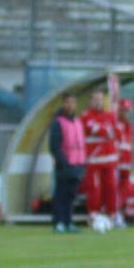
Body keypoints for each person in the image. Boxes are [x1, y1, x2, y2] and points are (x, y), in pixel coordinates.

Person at [80, 89, 119, 228]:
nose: (98, 102)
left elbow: (114, 132)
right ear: (91, 101)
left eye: (100, 99)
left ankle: (112, 215)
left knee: (111, 188)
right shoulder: (86, 116)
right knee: (94, 189)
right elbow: (96, 130)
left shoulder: (110, 116)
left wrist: (103, 130)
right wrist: (105, 130)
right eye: (95, 99)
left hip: (109, 161)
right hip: (94, 161)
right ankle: (93, 215)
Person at [48, 92, 86, 234]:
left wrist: (82, 164)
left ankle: (68, 221)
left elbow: (81, 144)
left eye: (72, 102)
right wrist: (64, 163)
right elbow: (54, 146)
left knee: (71, 196)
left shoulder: (77, 122)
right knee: (61, 195)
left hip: (77, 165)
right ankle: (58, 222)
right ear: (63, 104)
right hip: (64, 166)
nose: (70, 105)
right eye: (67, 102)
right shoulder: (58, 122)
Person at [115, 99, 134, 225]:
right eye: (124, 110)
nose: (127, 113)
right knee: (116, 190)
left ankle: (127, 215)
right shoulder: (116, 125)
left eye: (128, 111)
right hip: (116, 165)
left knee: (128, 190)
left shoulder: (129, 127)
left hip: (126, 166)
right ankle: (117, 214)